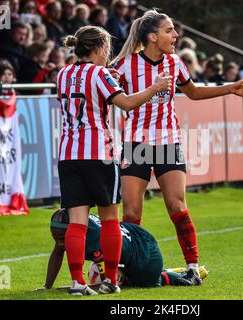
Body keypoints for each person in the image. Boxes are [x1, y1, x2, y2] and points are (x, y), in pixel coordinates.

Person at [112, 9, 243, 286]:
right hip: (136, 144)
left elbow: (193, 93)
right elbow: (109, 95)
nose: (176, 35)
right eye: (170, 31)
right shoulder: (124, 66)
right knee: (131, 213)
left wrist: (230, 88)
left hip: (169, 142)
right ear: (153, 37)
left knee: (176, 205)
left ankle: (192, 267)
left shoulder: (175, 62)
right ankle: (126, 269)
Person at [56, 25, 172, 296]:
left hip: (69, 154)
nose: (108, 53)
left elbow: (86, 89)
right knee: (110, 219)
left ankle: (77, 282)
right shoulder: (99, 74)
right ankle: (110, 279)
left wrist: (108, 77)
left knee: (77, 222)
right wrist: (154, 87)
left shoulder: (63, 74)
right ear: (98, 48)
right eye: (107, 48)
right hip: (99, 154)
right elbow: (128, 103)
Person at [39, 209, 209, 290]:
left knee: (143, 283)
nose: (60, 243)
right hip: (133, 239)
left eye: (62, 239)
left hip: (146, 253)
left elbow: (106, 284)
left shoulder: (95, 242)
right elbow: (57, 252)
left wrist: (65, 288)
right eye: (56, 238)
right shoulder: (76, 224)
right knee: (113, 275)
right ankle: (172, 271)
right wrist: (48, 287)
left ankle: (172, 275)